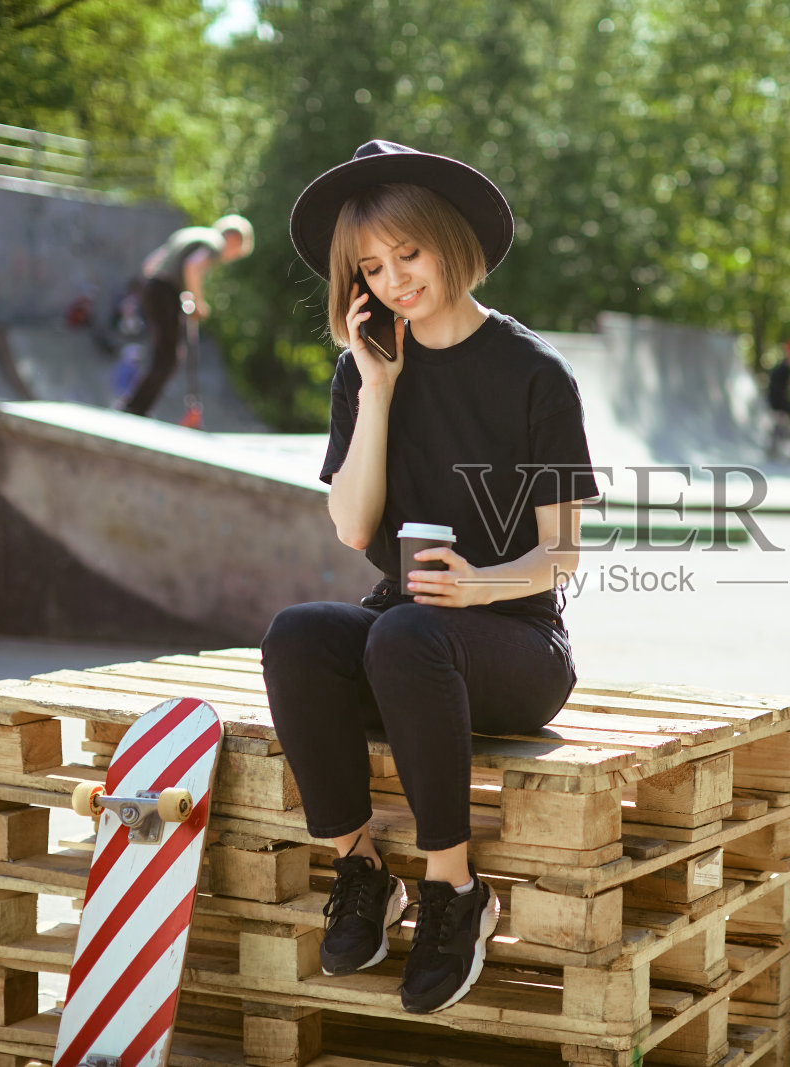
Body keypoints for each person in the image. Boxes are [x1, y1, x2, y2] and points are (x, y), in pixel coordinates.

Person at [260, 140, 599, 1014]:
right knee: (299, 632)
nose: (395, 277)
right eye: (371, 266)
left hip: (516, 646)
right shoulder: (363, 368)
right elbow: (351, 526)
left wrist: (478, 588)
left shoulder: (535, 374)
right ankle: (362, 868)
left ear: (449, 240)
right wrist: (376, 389)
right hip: (403, 642)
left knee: (407, 631)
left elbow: (562, 553)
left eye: (408, 253)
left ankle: (455, 889)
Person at [120, 215, 254, 416]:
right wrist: (198, 303)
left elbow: (151, 263)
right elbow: (192, 266)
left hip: (150, 287)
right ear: (233, 239)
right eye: (236, 252)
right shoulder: (215, 242)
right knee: (169, 357)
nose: (230, 256)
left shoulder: (189, 234)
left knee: (162, 353)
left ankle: (134, 405)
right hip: (166, 292)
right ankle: (136, 409)